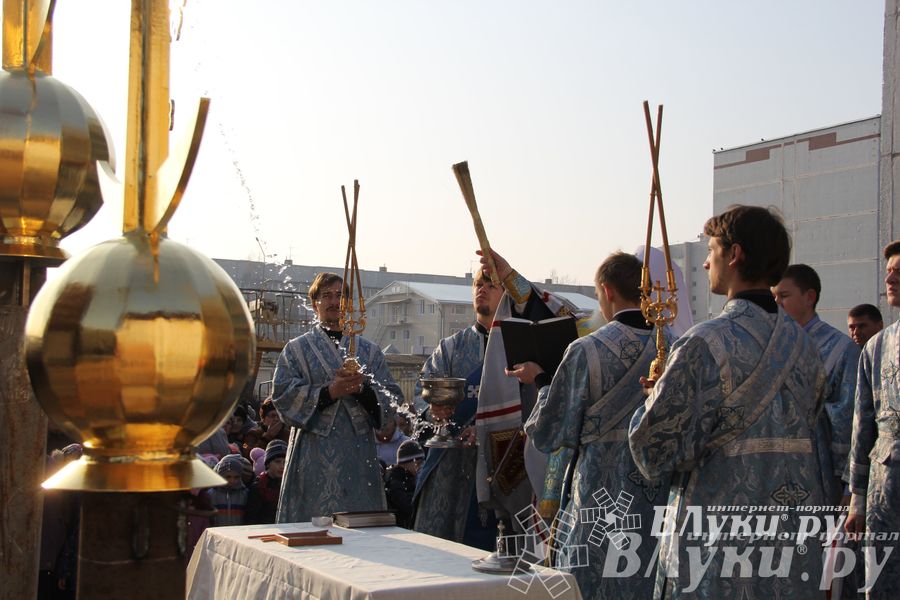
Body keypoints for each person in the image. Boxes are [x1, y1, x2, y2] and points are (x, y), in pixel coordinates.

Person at [629, 205, 827, 599]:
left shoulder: (705, 342)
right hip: (791, 541)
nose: (705, 263)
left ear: (733, 255)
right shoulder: (807, 346)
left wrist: (653, 400)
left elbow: (653, 450)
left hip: (716, 547)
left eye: (711, 249)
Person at [514, 252, 665, 600]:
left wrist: (540, 382)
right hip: (658, 504)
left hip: (600, 499)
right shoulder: (671, 346)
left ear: (607, 291)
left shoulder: (587, 349)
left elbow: (549, 432)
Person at [272, 272, 403, 522]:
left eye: (340, 296)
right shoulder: (296, 350)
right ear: (315, 304)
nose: (334, 302)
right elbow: (283, 397)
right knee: (310, 533)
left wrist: (361, 391)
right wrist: (330, 392)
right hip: (311, 457)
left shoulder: (369, 351)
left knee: (360, 532)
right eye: (327, 296)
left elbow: (391, 400)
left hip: (358, 456)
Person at [413, 267, 505, 549]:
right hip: (450, 470)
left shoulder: (518, 347)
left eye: (491, 284)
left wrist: (487, 427)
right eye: (478, 283)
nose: (482, 289)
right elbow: (421, 395)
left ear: (506, 293)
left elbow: (532, 405)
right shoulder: (450, 348)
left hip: (502, 468)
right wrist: (434, 411)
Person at [773, 264, 859, 503]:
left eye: (784, 296)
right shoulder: (771, 346)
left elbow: (849, 422)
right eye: (774, 297)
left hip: (821, 474)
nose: (777, 303)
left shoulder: (841, 349)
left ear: (809, 297)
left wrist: (849, 488)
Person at [846, 241, 900, 598]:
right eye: (889, 270)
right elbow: (863, 427)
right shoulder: (877, 347)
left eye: (899, 270)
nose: (889, 277)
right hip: (886, 490)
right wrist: (857, 500)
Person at [384, 439, 425, 529]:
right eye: (417, 463)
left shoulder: (408, 477)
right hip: (398, 528)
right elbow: (408, 506)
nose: (420, 467)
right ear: (404, 463)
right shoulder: (394, 480)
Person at [245, 440, 287, 524]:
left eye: (285, 462)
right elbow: (251, 517)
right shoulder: (258, 486)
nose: (282, 466)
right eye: (277, 462)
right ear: (268, 464)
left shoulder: (290, 484)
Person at [211, 454, 249, 526]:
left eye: (236, 477)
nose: (232, 480)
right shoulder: (212, 494)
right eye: (228, 477)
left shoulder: (245, 494)